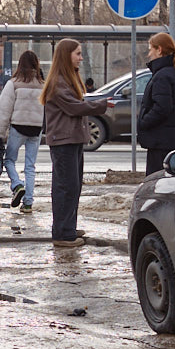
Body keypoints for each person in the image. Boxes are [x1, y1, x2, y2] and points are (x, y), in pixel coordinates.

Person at [41, 39, 112, 248]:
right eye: (78, 54)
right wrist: (102, 105)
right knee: (66, 187)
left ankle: (67, 228)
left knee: (72, 186)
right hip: (63, 142)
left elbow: (76, 106)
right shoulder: (58, 82)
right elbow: (74, 108)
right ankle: (63, 234)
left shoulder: (66, 79)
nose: (81, 58)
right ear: (66, 56)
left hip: (70, 140)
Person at [0, 50, 45, 213]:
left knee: (9, 160)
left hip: (18, 127)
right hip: (36, 129)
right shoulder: (43, 84)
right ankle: (28, 203)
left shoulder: (13, 83)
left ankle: (17, 185)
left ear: (20, 64)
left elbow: (4, 110)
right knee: (30, 166)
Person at [137, 32, 175, 176]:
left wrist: (143, 122)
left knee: (156, 182)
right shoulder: (174, 72)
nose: (149, 54)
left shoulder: (162, 76)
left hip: (160, 140)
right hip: (170, 138)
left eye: (150, 49)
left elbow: (162, 107)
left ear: (159, 50)